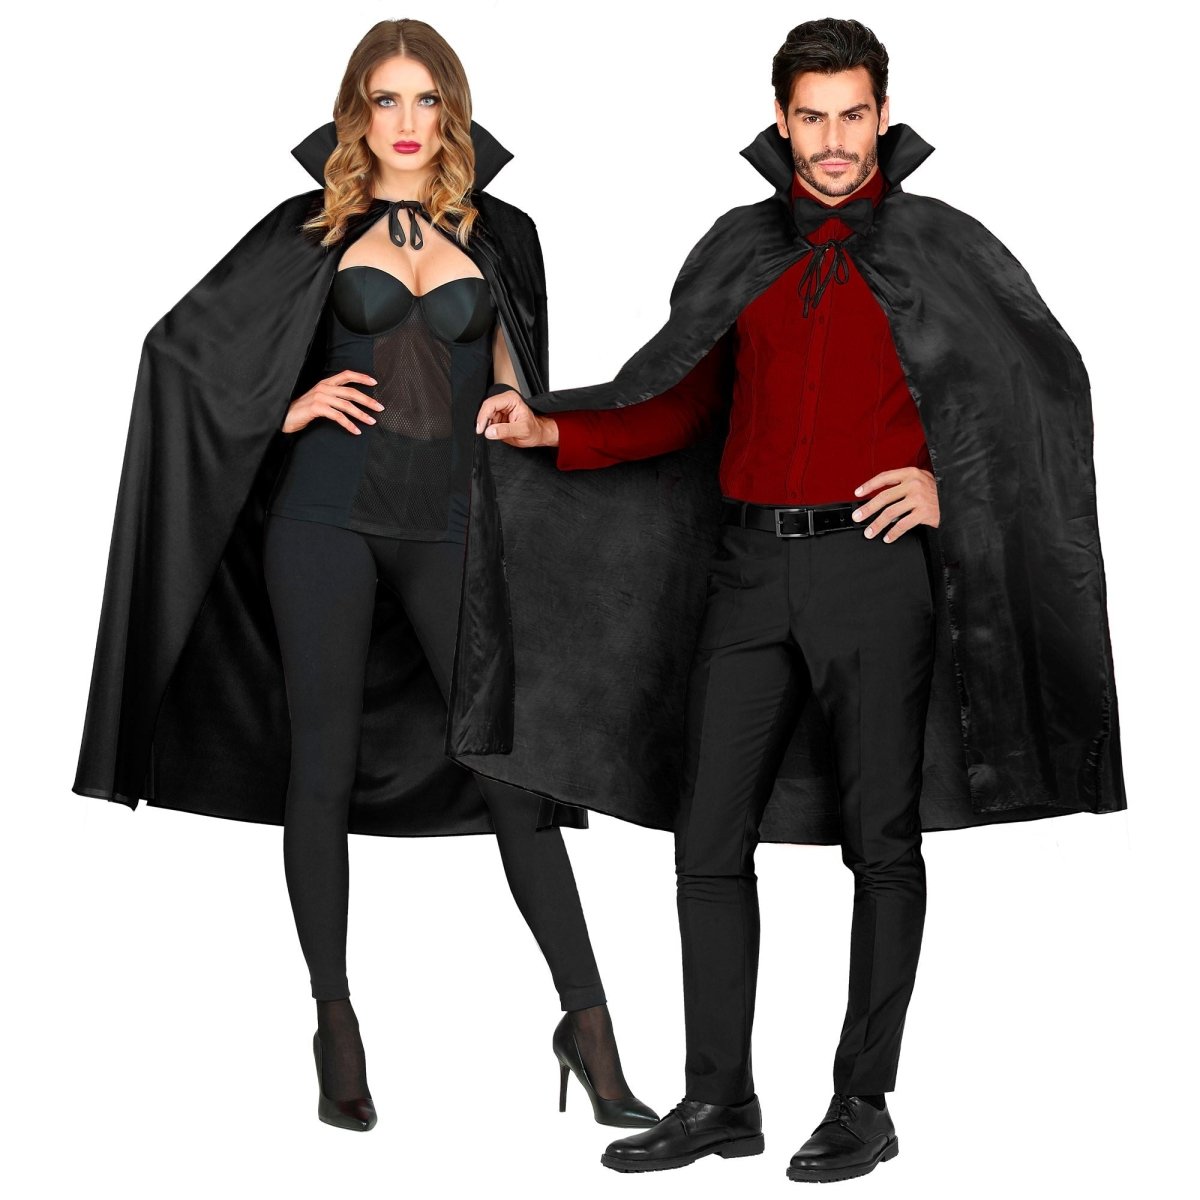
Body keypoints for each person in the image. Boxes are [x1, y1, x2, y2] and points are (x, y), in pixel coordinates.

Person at [473, 15, 1125, 1184]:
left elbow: (1040, 404)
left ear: (884, 115)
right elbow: (679, 404)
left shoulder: (945, 247)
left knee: (882, 844)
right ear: (781, 120)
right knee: (707, 839)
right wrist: (552, 431)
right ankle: (719, 1098)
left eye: (852, 116)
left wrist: (949, 489)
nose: (832, 141)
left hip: (874, 572)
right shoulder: (738, 245)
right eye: (811, 117)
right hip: (746, 571)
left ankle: (862, 1104)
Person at [71, 18, 656, 1135]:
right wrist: (283, 407)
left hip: (452, 525)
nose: (405, 122)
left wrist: (516, 408)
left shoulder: (505, 234)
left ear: (453, 111)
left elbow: (516, 370)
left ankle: (589, 1031)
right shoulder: (308, 230)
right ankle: (335, 1028)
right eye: (385, 100)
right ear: (356, 113)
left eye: (425, 99)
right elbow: (177, 353)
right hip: (322, 520)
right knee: (322, 770)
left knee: (515, 772)